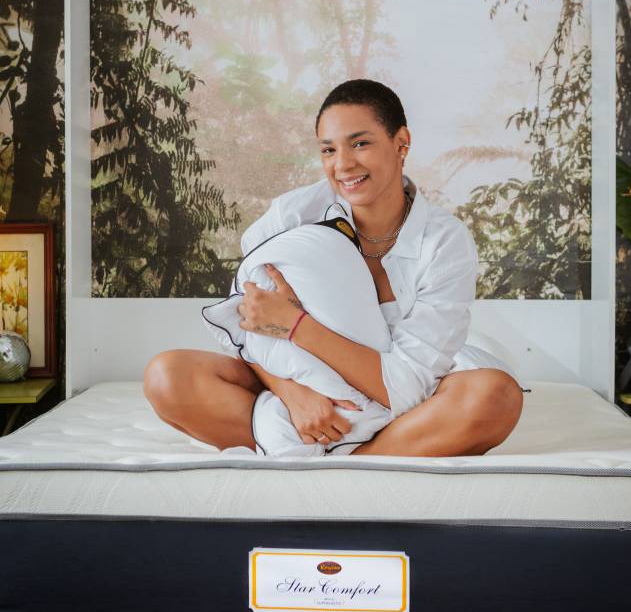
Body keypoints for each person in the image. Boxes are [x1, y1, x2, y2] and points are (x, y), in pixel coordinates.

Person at [144, 79, 523, 456]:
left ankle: (350, 464)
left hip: (412, 401)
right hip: (307, 386)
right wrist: (291, 393)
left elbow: (406, 388)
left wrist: (296, 326)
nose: (342, 165)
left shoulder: (444, 242)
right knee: (168, 377)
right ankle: (380, 451)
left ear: (401, 143)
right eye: (329, 149)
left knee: (495, 397)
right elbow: (247, 325)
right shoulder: (292, 215)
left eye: (360, 143)